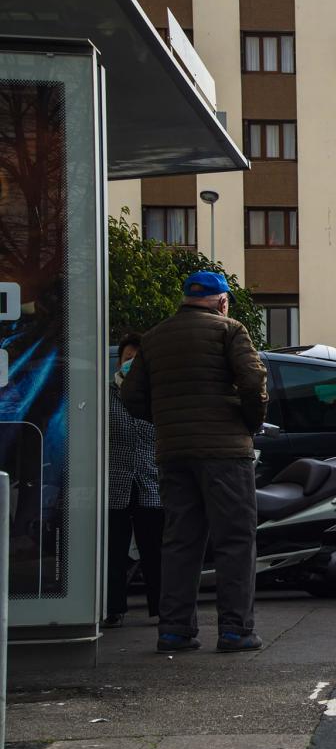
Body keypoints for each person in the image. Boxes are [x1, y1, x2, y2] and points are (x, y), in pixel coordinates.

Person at [122, 271, 268, 654]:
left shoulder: (154, 338)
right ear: (222, 301)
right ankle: (236, 631)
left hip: (174, 453)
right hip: (224, 453)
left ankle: (174, 630)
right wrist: (248, 422)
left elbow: (131, 396)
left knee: (179, 541)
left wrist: (169, 420)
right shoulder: (229, 330)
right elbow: (253, 381)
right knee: (235, 539)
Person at [104, 333, 164, 629]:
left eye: (138, 360)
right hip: (114, 484)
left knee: (155, 550)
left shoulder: (159, 397)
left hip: (151, 485)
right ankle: (112, 607)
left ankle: (162, 608)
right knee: (112, 550)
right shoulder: (106, 396)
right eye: (128, 358)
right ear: (119, 362)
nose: (132, 364)